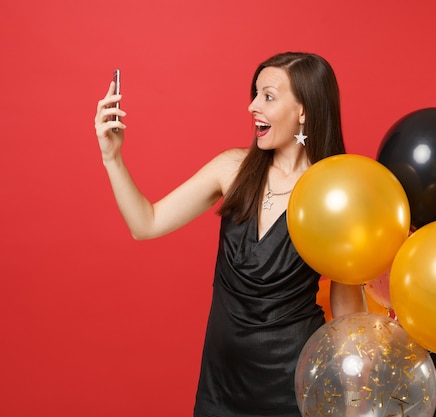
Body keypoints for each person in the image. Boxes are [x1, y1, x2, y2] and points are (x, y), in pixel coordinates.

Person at [94, 52, 365, 417]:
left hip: (295, 386)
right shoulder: (232, 168)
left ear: (303, 110)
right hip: (221, 386)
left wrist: (354, 400)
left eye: (268, 96)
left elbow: (347, 310)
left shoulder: (333, 194)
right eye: (255, 94)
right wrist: (113, 157)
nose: (253, 105)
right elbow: (146, 224)